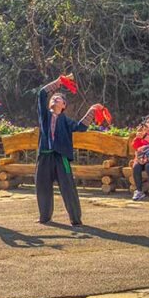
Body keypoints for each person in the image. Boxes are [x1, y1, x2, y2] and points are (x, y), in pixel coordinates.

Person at [35, 75, 106, 226]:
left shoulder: (66, 120)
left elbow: (80, 127)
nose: (54, 99)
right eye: (53, 98)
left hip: (61, 157)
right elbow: (42, 93)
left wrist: (92, 111)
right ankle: (44, 217)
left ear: (64, 105)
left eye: (58, 98)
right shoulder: (44, 116)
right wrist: (58, 82)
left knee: (68, 187)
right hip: (45, 156)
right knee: (42, 187)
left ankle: (75, 219)